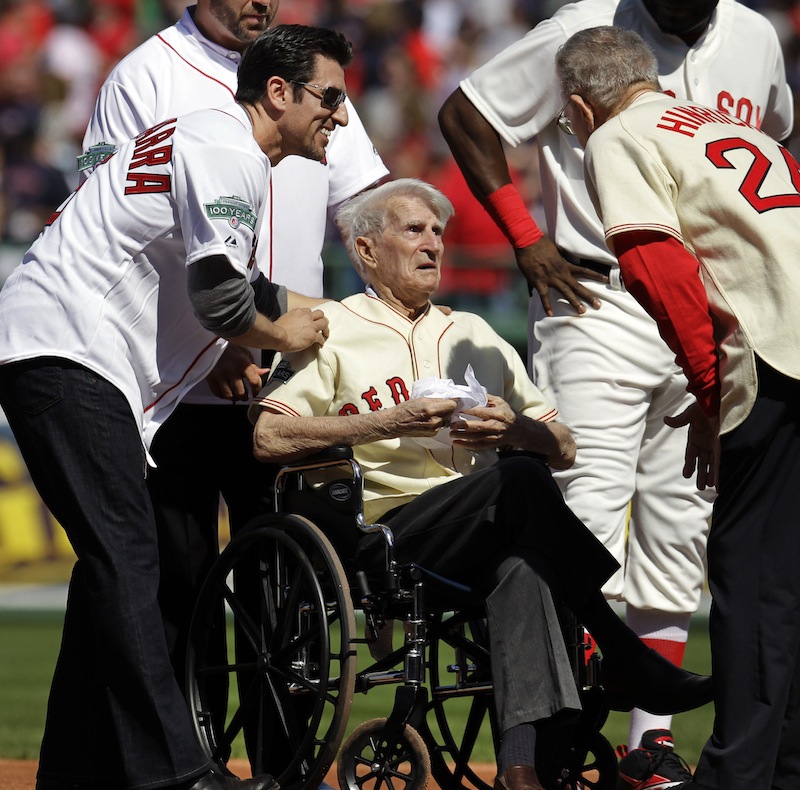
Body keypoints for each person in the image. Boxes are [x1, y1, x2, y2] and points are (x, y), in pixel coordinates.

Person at [248, 178, 714, 790]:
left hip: (479, 526)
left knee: (521, 562)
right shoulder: (332, 327)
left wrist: (513, 426)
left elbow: (565, 445)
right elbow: (266, 438)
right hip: (383, 532)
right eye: (413, 229)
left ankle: (519, 772)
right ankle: (617, 647)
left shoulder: (476, 333)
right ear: (365, 251)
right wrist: (388, 421)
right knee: (518, 481)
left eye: (439, 231)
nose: (433, 243)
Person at [438, 0, 793, 778]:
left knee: (683, 528)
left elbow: (766, 148)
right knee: (583, 519)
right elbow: (467, 114)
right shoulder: (585, 28)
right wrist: (524, 238)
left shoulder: (756, 36)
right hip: (597, 298)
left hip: (714, 312)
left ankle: (648, 743)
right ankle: (555, 736)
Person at [0, 24, 351, 790]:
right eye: (330, 96)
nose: (344, 116)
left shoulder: (216, 142)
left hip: (64, 352)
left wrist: (353, 322)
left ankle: (75, 770)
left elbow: (240, 288)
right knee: (128, 554)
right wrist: (279, 330)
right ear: (279, 93)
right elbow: (226, 298)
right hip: (65, 351)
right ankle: (178, 772)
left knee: (112, 563)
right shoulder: (226, 144)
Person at [79, 0, 388, 691]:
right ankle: (191, 760)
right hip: (179, 379)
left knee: (289, 585)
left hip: (290, 380)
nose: (259, 2)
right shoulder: (145, 74)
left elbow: (367, 203)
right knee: (180, 584)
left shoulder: (309, 76)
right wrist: (219, 340)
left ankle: (280, 767)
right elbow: (108, 213)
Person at [555, 25, 800, 790]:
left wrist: (706, 390)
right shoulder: (726, 126)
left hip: (775, 359)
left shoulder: (618, 136)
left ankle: (736, 777)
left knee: (748, 577)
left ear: (577, 107)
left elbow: (659, 269)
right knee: (786, 583)